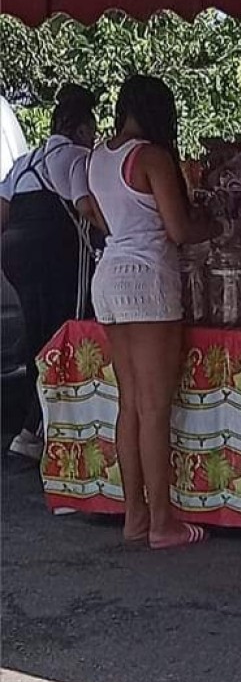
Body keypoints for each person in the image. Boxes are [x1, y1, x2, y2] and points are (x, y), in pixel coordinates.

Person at [88, 75, 205, 549]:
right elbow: (178, 230)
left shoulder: (98, 156)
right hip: (148, 281)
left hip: (108, 278)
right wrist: (215, 226)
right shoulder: (152, 157)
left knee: (131, 404)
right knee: (155, 408)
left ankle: (134, 515)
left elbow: (99, 217)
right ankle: (162, 523)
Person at [0, 83, 98, 460]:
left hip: (17, 257)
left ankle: (31, 429)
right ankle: (45, 428)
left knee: (36, 338)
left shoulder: (25, 162)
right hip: (57, 253)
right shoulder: (77, 158)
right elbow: (87, 207)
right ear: (82, 129)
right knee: (65, 335)